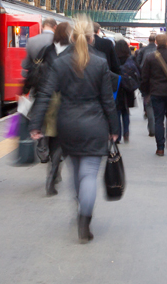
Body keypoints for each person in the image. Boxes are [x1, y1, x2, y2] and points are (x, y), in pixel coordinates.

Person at [30, 17, 118, 244]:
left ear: (72, 37)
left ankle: (79, 204)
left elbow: (46, 94)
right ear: (91, 38)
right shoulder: (100, 63)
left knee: (76, 172)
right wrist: (114, 128)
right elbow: (108, 101)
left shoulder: (60, 63)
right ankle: (84, 220)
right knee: (89, 174)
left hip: (67, 125)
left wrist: (35, 124)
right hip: (95, 125)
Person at [38, 22, 73, 196]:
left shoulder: (47, 50)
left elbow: (37, 72)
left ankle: (53, 171)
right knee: (61, 140)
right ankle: (53, 174)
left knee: (53, 137)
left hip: (48, 98)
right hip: (66, 99)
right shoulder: (74, 51)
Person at [140, 34, 167, 156]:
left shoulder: (150, 57)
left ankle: (160, 148)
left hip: (156, 92)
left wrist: (145, 92)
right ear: (166, 42)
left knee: (158, 119)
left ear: (156, 43)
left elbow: (144, 77)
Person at [22, 18, 57, 163]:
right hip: (56, 86)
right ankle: (55, 149)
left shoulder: (32, 41)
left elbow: (26, 65)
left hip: (39, 85)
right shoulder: (60, 41)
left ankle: (42, 150)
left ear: (42, 27)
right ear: (55, 27)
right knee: (54, 117)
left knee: (40, 116)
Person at [115, 39, 138, 144]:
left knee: (117, 112)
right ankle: (126, 133)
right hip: (128, 88)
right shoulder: (130, 60)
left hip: (117, 88)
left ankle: (118, 136)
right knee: (126, 111)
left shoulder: (114, 60)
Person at [136, 35, 157, 137]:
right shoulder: (159, 50)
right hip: (158, 82)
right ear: (155, 41)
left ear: (149, 40)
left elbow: (138, 64)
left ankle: (151, 125)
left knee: (148, 102)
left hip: (146, 80)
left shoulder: (143, 50)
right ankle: (157, 126)